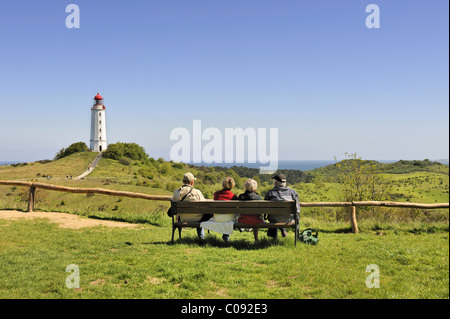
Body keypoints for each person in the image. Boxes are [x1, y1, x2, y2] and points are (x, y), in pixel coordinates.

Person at [172, 172, 211, 239]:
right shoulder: (197, 192)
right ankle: (201, 238)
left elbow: (173, 205)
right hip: (198, 219)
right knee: (205, 214)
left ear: (183, 181)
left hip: (182, 218)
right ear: (192, 182)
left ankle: (179, 237)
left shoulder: (176, 192)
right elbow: (204, 205)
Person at [201, 177, 237, 242]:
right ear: (232, 185)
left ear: (223, 184)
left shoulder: (216, 194)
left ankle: (225, 237)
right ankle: (226, 236)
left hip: (217, 217)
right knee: (228, 217)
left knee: (224, 216)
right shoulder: (233, 196)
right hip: (229, 219)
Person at [264, 174, 300, 239]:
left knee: (274, 217)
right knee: (279, 216)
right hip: (288, 220)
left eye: (274, 182)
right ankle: (282, 231)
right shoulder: (293, 192)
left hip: (273, 219)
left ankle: (273, 236)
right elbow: (297, 209)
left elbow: (264, 207)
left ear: (276, 183)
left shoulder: (270, 193)